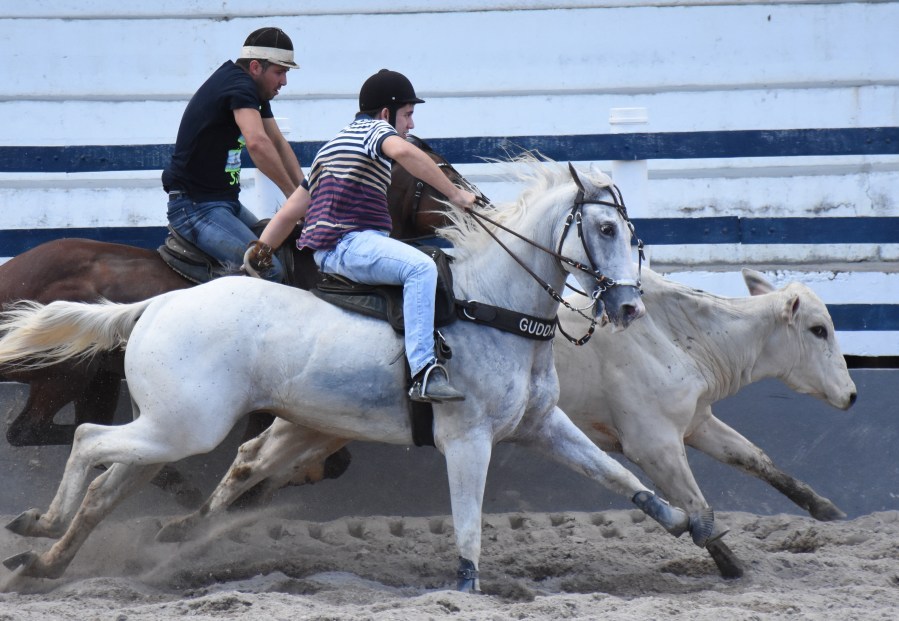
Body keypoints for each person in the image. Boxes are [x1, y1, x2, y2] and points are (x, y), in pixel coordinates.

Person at [246, 69, 477, 403]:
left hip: (330, 252)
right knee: (421, 268)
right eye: (408, 115)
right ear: (386, 113)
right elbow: (408, 153)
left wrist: (258, 256)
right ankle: (424, 371)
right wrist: (456, 195)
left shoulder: (331, 147)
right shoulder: (375, 130)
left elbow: (289, 212)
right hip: (351, 245)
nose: (411, 125)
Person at [162, 27, 304, 283]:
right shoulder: (239, 87)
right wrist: (294, 198)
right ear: (255, 67)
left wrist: (305, 194)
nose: (284, 81)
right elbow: (258, 143)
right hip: (195, 208)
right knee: (268, 268)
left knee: (286, 250)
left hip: (224, 203)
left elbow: (279, 144)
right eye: (280, 72)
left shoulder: (254, 91)